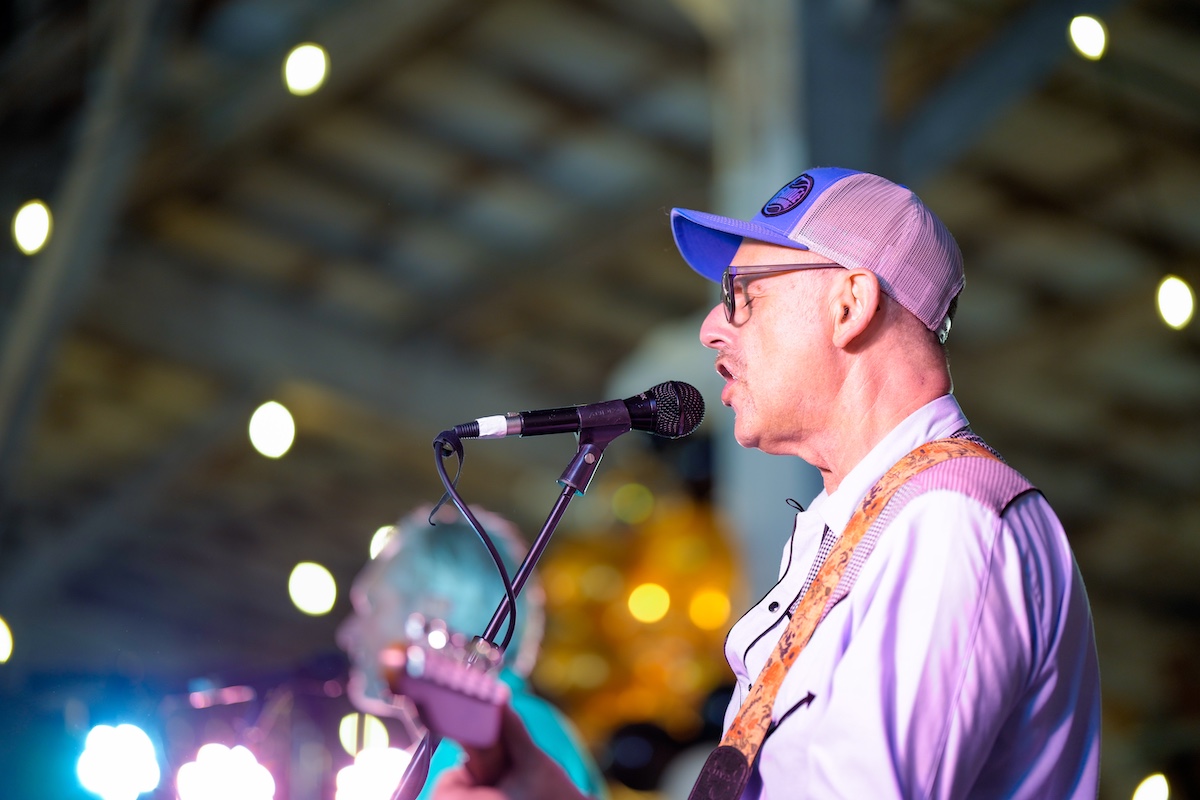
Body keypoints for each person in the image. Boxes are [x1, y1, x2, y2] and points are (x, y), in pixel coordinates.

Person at [433, 166, 1102, 799]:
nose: (710, 329)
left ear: (850, 305)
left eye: (741, 296)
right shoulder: (864, 523)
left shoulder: (949, 522)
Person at [337, 504, 607, 800]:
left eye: (371, 606)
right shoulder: (468, 743)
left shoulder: (514, 733)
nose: (347, 634)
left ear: (435, 610)